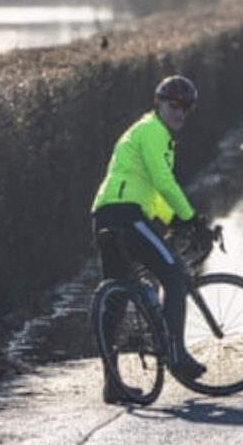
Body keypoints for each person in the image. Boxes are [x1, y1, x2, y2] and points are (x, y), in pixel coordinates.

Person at [90, 74, 215, 404]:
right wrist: (192, 219)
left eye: (187, 107)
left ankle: (113, 384)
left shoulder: (147, 132)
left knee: (114, 298)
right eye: (174, 104)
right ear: (158, 102)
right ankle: (177, 354)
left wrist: (174, 219)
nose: (180, 112)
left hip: (107, 213)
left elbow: (152, 188)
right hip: (127, 215)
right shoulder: (153, 132)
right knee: (174, 274)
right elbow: (164, 180)